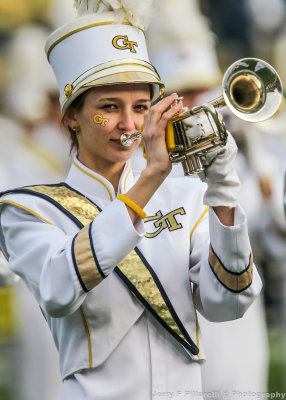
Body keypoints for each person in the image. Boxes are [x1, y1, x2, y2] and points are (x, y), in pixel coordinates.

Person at [0, 1, 262, 399]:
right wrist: (152, 177)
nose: (128, 125)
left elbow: (228, 303)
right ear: (72, 116)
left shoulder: (186, 195)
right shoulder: (28, 209)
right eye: (109, 108)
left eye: (141, 108)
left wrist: (224, 193)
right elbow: (58, 287)